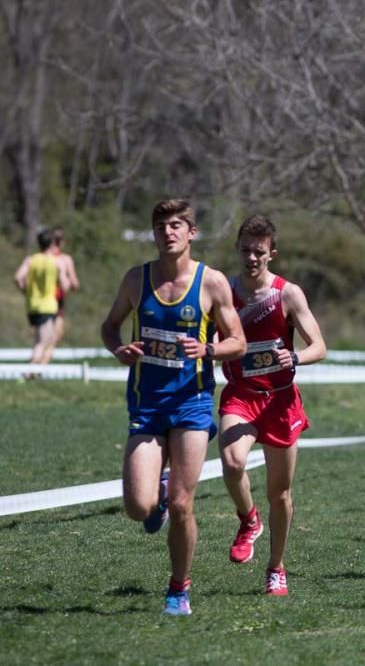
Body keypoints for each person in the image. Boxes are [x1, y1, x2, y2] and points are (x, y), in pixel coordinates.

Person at [100, 199, 246, 616]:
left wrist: (209, 348)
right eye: (161, 225)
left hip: (192, 404)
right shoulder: (136, 279)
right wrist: (119, 349)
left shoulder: (211, 282)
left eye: (177, 225)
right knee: (137, 507)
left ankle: (178, 588)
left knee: (185, 504)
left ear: (191, 232)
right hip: (147, 405)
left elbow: (237, 341)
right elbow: (109, 326)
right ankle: (157, 496)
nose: (168, 232)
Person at [218, 215, 327, 597]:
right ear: (238, 249)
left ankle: (276, 567)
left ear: (272, 254)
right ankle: (248, 520)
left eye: (259, 252)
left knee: (280, 493)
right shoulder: (222, 289)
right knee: (232, 463)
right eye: (245, 250)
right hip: (241, 394)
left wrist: (295, 358)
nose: (251, 258)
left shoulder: (288, 294)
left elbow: (319, 346)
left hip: (280, 401)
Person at [13, 229, 70, 373]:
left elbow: (18, 277)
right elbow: (65, 286)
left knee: (41, 339)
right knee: (43, 342)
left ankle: (35, 371)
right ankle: (29, 371)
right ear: (52, 243)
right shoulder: (57, 262)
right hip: (48, 305)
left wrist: (25, 291)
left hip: (32, 305)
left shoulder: (31, 260)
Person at [51, 227, 81, 346]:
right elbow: (74, 284)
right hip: (57, 301)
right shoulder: (64, 259)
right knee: (52, 340)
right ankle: (38, 364)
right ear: (61, 241)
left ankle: (38, 363)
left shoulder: (38, 258)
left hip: (38, 302)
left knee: (42, 340)